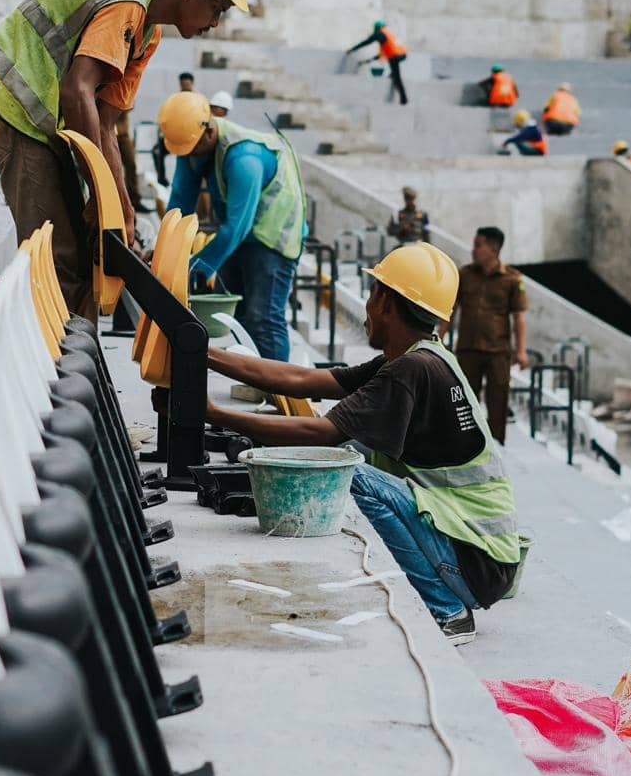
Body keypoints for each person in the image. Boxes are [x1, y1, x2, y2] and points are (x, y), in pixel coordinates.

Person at [205, 242, 520, 644]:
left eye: (373, 295)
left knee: (348, 470)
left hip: (474, 566)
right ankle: (442, 597)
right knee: (352, 460)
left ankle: (447, 610)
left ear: (385, 301)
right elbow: (302, 380)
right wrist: (204, 352)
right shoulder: (419, 357)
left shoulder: (412, 369)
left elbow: (321, 435)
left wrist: (213, 414)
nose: (368, 309)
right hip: (481, 559)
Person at [0, 0, 258, 320]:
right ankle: (50, 367)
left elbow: (105, 124)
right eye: (218, 8)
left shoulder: (148, 33)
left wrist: (120, 204)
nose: (215, 23)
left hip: (39, 124)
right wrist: (102, 191)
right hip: (11, 108)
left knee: (88, 248)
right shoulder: (128, 4)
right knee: (59, 254)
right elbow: (77, 91)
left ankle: (75, 360)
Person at [159, 90, 306, 361]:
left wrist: (197, 266)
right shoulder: (194, 144)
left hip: (272, 236)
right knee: (234, 317)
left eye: (190, 151)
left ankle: (279, 394)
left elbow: (238, 225)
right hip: (238, 233)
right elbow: (180, 203)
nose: (187, 158)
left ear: (210, 133)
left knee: (263, 317)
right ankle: (252, 383)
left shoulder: (244, 157)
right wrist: (163, 255)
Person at [452, 226, 528, 446]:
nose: (473, 250)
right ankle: (465, 445)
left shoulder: (512, 279)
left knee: (498, 401)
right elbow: (451, 310)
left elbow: (519, 318)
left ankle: (496, 446)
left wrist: (521, 351)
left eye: (478, 245)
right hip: (467, 349)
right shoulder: (464, 274)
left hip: (498, 352)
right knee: (465, 400)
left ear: (493, 249)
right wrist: (439, 335)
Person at [346, 20, 408, 105]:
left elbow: (367, 42)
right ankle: (393, 77)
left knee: (397, 77)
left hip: (395, 56)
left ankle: (403, 99)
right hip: (401, 54)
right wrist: (368, 61)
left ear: (377, 28)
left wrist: (352, 49)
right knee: (394, 73)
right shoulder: (386, 34)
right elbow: (380, 55)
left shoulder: (379, 34)